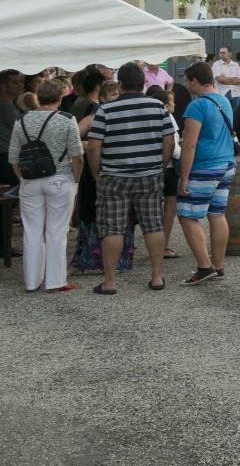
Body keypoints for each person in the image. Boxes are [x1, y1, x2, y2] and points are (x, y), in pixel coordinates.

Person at [83, 62, 177, 294]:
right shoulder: (158, 106)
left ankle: (110, 281)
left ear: (121, 84)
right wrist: (160, 165)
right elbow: (170, 141)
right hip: (150, 174)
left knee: (112, 228)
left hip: (114, 176)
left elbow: (94, 146)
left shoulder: (106, 110)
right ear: (143, 83)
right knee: (153, 225)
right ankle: (156, 277)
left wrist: (97, 173)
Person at [9, 77, 82, 292]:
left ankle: (32, 282)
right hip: (59, 178)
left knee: (31, 231)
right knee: (57, 231)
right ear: (59, 97)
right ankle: (55, 280)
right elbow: (77, 155)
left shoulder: (20, 121)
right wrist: (75, 181)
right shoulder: (67, 119)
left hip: (30, 181)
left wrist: (23, 178)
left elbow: (14, 158)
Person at [175, 62, 238, 284]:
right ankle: (218, 265)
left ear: (194, 81)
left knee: (187, 215)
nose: (185, 84)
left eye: (186, 80)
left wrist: (184, 177)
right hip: (226, 164)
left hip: (204, 166)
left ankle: (204, 266)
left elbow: (189, 144)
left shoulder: (197, 106)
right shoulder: (224, 101)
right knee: (217, 214)